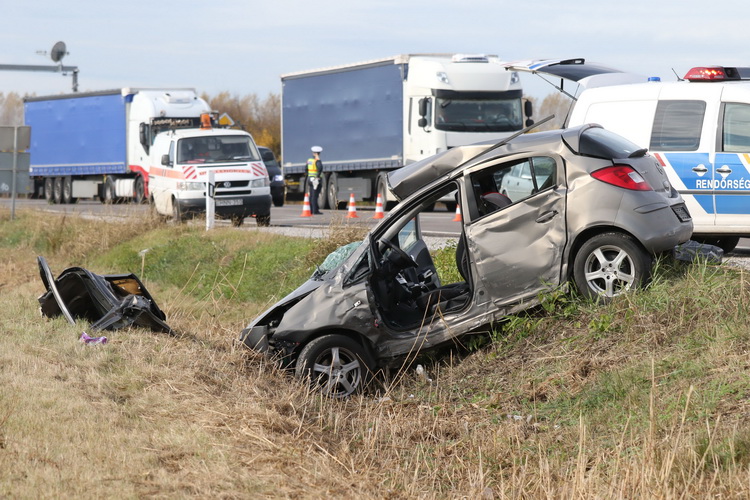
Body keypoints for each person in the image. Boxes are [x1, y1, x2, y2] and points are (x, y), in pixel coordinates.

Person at [307, 145, 324, 215]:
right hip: (315, 180)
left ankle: (311, 210)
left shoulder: (309, 160)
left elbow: (306, 169)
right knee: (315, 195)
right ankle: (315, 210)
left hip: (310, 179)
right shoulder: (317, 161)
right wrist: (317, 176)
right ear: (318, 153)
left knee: (311, 195)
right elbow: (320, 169)